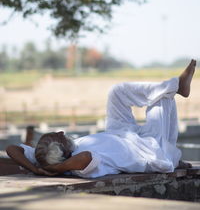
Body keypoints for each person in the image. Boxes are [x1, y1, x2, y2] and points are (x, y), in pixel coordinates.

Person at [6, 60, 196, 178]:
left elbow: (11, 149)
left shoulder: (44, 158)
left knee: (117, 93)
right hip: (150, 148)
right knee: (160, 100)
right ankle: (174, 156)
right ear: (61, 154)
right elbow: (85, 158)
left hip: (120, 132)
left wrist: (37, 169)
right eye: (59, 136)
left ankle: (177, 86)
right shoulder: (79, 166)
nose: (62, 132)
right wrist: (57, 170)